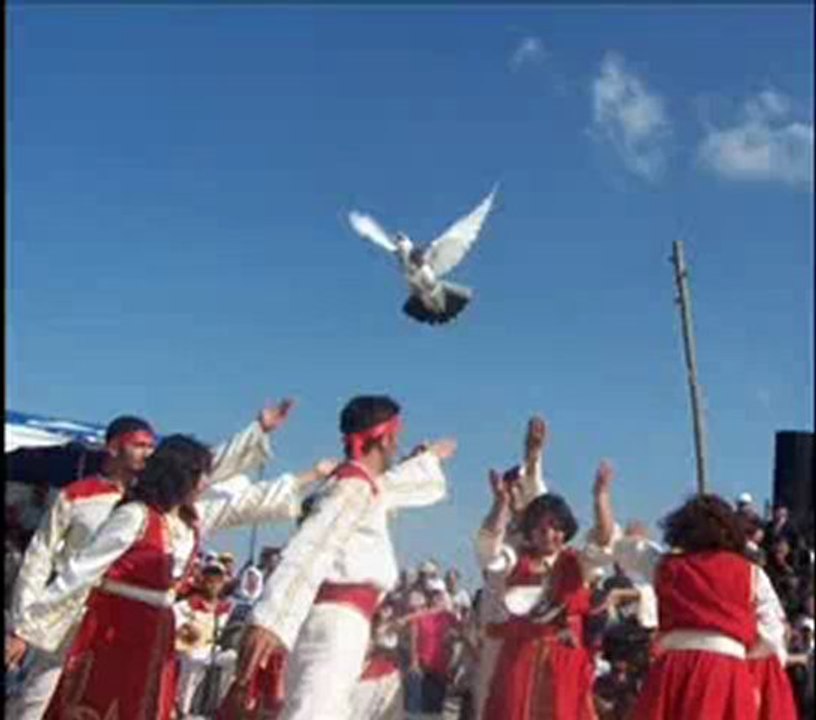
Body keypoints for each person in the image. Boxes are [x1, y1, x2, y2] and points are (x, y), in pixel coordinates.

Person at [7, 432, 337, 720]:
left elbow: (247, 504)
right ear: (179, 476)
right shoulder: (134, 516)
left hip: (158, 631)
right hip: (116, 630)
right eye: (200, 476)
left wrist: (312, 475)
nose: (205, 484)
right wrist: (26, 629)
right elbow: (78, 573)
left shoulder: (189, 520)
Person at [228, 395, 457, 720]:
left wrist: (429, 459)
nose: (398, 446)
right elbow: (311, 547)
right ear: (387, 437)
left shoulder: (360, 485)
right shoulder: (351, 486)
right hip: (335, 622)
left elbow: (392, 486)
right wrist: (270, 617)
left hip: (342, 621)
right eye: (396, 438)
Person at [595, 480, 789, 720]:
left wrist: (602, 498)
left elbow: (619, 546)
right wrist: (737, 652)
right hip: (727, 672)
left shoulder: (665, 566)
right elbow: (772, 634)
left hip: (674, 670)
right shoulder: (751, 574)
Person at [476, 462, 611, 720]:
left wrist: (600, 497)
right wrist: (501, 504)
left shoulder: (577, 562)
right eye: (542, 528)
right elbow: (488, 549)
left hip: (564, 664)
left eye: (557, 527)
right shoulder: (515, 559)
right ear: (531, 532)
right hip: (520, 659)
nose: (550, 534)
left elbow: (604, 542)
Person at [472, 416, 548, 720]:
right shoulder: (500, 535)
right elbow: (488, 549)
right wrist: (501, 504)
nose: (517, 494)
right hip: (496, 637)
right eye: (511, 489)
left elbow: (538, 493)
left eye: (520, 489)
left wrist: (533, 456)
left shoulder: (546, 539)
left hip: (533, 640)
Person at [174, 559, 237, 717]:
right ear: (202, 581)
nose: (213, 584)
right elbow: (175, 620)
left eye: (217, 580)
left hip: (215, 650)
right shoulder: (187, 605)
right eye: (209, 579)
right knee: (192, 658)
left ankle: (218, 705)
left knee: (233, 658)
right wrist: (186, 628)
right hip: (192, 650)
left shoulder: (227, 609)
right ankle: (184, 708)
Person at [408, 578, 459, 719]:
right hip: (421, 666)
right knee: (416, 711)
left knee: (435, 710)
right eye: (432, 594)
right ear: (427, 596)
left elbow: (458, 638)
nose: (436, 597)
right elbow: (414, 637)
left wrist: (453, 664)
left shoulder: (450, 616)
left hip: (440, 668)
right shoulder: (419, 614)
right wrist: (414, 661)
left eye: (439, 594)